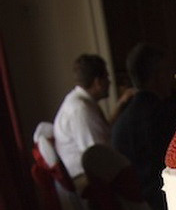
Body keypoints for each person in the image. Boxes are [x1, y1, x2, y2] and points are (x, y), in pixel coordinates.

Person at [112, 43, 176, 210]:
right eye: (168, 71)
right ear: (157, 76)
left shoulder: (124, 119)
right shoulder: (164, 116)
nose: (172, 77)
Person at [53, 54, 131, 187]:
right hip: (85, 182)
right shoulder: (81, 110)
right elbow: (98, 157)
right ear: (97, 82)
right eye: (107, 77)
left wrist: (120, 105)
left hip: (87, 175)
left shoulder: (80, 101)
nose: (110, 82)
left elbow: (103, 132)